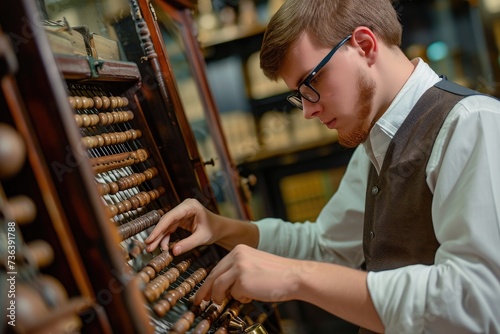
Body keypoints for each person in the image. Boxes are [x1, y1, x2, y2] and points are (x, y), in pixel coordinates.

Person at [145, 0, 500, 332]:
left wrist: (296, 276)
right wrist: (221, 227)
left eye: (311, 82)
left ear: (363, 45)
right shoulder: (375, 143)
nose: (307, 110)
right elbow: (326, 247)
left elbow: (479, 300)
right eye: (299, 94)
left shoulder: (472, 124)